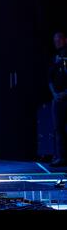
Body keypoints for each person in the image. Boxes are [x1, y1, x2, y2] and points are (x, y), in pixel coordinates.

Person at [48, 31, 67, 167]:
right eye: (55, 40)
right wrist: (55, 94)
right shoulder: (54, 58)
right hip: (57, 98)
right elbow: (49, 79)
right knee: (57, 128)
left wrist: (65, 93)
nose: (57, 42)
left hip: (66, 96)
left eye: (59, 39)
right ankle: (59, 156)